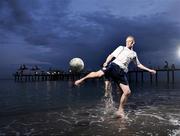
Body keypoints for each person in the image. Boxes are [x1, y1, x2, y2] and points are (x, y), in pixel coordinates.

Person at [74, 35, 156, 118]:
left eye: (129, 41)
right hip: (114, 66)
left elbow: (138, 65)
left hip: (122, 72)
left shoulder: (134, 54)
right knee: (98, 74)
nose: (127, 43)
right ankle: (82, 80)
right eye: (126, 41)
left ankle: (120, 110)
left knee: (127, 92)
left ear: (133, 42)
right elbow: (111, 55)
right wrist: (106, 62)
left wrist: (149, 70)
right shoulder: (121, 48)